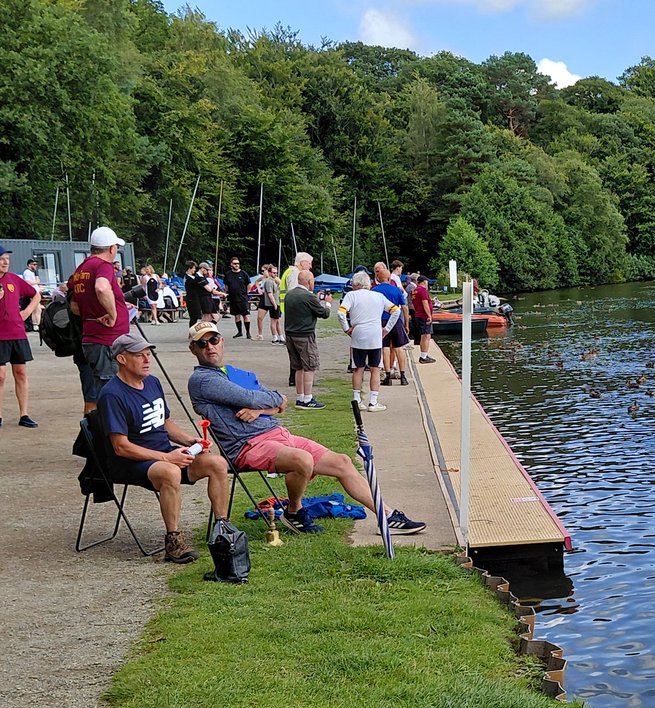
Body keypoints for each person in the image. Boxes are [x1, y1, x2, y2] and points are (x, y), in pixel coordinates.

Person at [186, 322, 426, 536]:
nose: (210, 347)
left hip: (277, 435)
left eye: (214, 340)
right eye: (202, 343)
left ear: (222, 341)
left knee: (342, 462)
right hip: (247, 446)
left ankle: (386, 515)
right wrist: (265, 401)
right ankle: (294, 511)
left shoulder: (230, 373)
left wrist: (261, 409)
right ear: (193, 350)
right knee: (302, 460)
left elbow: (279, 399)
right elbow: (252, 396)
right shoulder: (204, 380)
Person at [97, 332, 231, 563]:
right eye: (140, 356)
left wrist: (190, 441)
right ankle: (174, 541)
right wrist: (168, 458)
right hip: (131, 462)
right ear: (121, 359)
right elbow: (120, 447)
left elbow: (165, 422)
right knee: (169, 472)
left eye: (148, 354)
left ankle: (223, 528)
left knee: (217, 463)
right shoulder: (111, 394)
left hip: (165, 454)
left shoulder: (152, 382)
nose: (148, 360)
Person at [69, 226, 134, 414]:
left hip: (91, 336)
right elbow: (101, 288)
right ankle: (105, 438)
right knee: (110, 392)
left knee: (99, 391)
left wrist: (116, 305)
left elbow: (74, 305)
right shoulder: (103, 266)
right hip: (106, 339)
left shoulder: (81, 268)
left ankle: (97, 436)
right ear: (112, 248)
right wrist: (113, 314)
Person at [338, 270, 400, 411]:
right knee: (375, 368)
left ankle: (357, 399)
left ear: (355, 284)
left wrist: (347, 329)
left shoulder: (351, 295)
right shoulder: (378, 296)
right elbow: (396, 311)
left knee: (358, 368)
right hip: (375, 334)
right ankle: (373, 401)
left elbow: (341, 313)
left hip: (358, 333)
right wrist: (386, 329)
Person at [0, 245, 40, 428]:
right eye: (1, 258)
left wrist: (27, 312)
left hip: (17, 332)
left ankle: (24, 414)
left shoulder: (14, 279)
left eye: (7, 258)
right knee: (0, 376)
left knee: (21, 372)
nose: (5, 262)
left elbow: (35, 295)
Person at [283, 269, 331, 409]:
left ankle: (300, 397)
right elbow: (323, 314)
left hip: (290, 334)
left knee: (297, 367)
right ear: (309, 281)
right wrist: (327, 303)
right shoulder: (308, 297)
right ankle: (308, 398)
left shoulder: (289, 295)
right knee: (309, 366)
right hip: (304, 335)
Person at [373, 261, 410, 386]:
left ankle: (387, 375)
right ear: (389, 278)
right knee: (399, 348)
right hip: (396, 321)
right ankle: (403, 376)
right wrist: (406, 324)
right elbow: (404, 307)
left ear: (378, 278)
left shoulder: (374, 290)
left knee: (386, 348)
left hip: (381, 321)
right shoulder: (396, 290)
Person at [408, 274, 436, 364]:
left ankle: (424, 354)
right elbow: (424, 304)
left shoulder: (414, 291)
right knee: (426, 336)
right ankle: (423, 356)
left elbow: (415, 304)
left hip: (418, 314)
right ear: (424, 282)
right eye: (427, 282)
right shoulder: (423, 290)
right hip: (424, 316)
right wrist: (429, 315)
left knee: (423, 335)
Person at [224, 257, 252, 338]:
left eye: (238, 263)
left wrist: (246, 293)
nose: (237, 265)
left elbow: (249, 284)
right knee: (236, 316)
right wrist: (226, 293)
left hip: (242, 298)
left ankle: (248, 333)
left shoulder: (243, 274)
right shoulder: (228, 274)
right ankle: (239, 332)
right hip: (233, 298)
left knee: (245, 315)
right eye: (235, 263)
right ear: (231, 264)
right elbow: (226, 285)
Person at [256, 264, 283, 342]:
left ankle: (278, 336)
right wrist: (259, 289)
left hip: (272, 298)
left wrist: (276, 291)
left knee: (276, 319)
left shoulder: (274, 279)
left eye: (263, 270)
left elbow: (281, 284)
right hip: (264, 298)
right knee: (259, 317)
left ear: (267, 271)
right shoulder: (263, 278)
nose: (262, 272)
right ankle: (260, 334)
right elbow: (257, 282)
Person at [21, 258, 43, 332]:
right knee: (35, 309)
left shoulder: (33, 273)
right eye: (34, 264)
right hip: (31, 294)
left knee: (38, 309)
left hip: (36, 294)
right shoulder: (27, 272)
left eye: (36, 264)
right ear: (29, 265)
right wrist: (36, 281)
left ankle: (38, 324)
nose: (35, 266)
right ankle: (35, 325)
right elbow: (27, 282)